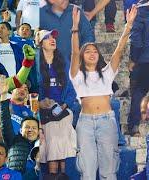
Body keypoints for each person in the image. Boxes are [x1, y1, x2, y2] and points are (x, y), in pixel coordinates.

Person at [70, 6, 137, 180]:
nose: (92, 53)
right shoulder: (76, 75)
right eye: (88, 51)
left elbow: (119, 49)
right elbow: (74, 52)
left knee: (109, 170)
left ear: (99, 56)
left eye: (95, 51)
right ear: (82, 56)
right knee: (88, 171)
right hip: (85, 123)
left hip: (107, 121)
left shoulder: (107, 73)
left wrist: (128, 25)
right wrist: (75, 29)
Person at [35, 29, 77, 177]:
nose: (52, 39)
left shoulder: (62, 61)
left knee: (62, 125)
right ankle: (57, 174)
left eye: (53, 37)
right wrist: (40, 103)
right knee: (53, 133)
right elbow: (31, 89)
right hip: (44, 112)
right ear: (40, 44)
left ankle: (58, 175)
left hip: (62, 109)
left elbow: (71, 89)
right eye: (47, 37)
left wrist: (64, 105)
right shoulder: (36, 64)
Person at [0, 76, 39, 179]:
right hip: (9, 150)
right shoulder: (3, 105)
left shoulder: (30, 111)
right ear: (12, 89)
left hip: (29, 160)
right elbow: (4, 123)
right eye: (19, 87)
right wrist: (3, 95)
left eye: (26, 89)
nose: (23, 90)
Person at [127, 0, 149, 136]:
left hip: (144, 60)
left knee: (139, 91)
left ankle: (134, 126)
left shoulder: (140, 11)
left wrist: (133, 59)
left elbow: (136, 39)